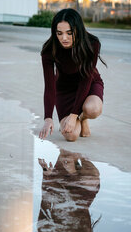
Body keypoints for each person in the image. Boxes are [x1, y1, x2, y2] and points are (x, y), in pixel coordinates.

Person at [38, 8, 107, 142]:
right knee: (71, 136)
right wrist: (48, 118)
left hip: (88, 83)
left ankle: (83, 118)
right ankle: (77, 118)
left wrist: (74, 115)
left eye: (69, 33)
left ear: (78, 30)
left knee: (93, 109)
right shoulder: (49, 50)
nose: (64, 38)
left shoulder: (92, 44)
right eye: (59, 33)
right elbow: (49, 86)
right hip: (65, 89)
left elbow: (85, 80)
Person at [36, 149, 101, 232]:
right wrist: (72, 172)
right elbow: (80, 206)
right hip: (84, 187)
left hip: (60, 185)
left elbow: (45, 200)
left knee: (66, 147)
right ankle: (82, 134)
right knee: (75, 154)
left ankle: (78, 131)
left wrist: (47, 176)